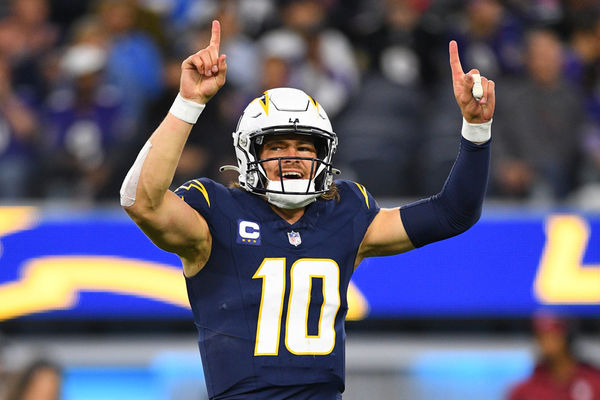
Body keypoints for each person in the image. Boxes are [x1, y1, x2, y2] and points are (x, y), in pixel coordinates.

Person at [121, 20, 495, 400]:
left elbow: (454, 213)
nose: (293, 159)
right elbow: (141, 201)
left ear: (324, 155)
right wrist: (189, 103)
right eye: (278, 147)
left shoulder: (345, 211)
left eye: (304, 148)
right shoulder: (216, 212)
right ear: (250, 154)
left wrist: (476, 130)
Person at [507, 314, 600, 400]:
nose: (547, 343)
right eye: (541, 337)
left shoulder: (594, 382)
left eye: (553, 336)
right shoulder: (525, 391)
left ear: (566, 336)